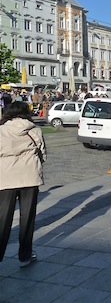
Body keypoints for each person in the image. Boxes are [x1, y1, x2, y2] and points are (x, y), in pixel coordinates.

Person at [0, 101, 46, 267]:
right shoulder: (34, 129)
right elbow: (43, 153)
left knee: (3, 219)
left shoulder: (1, 130)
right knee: (27, 217)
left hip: (5, 179)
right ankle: (25, 256)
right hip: (30, 177)